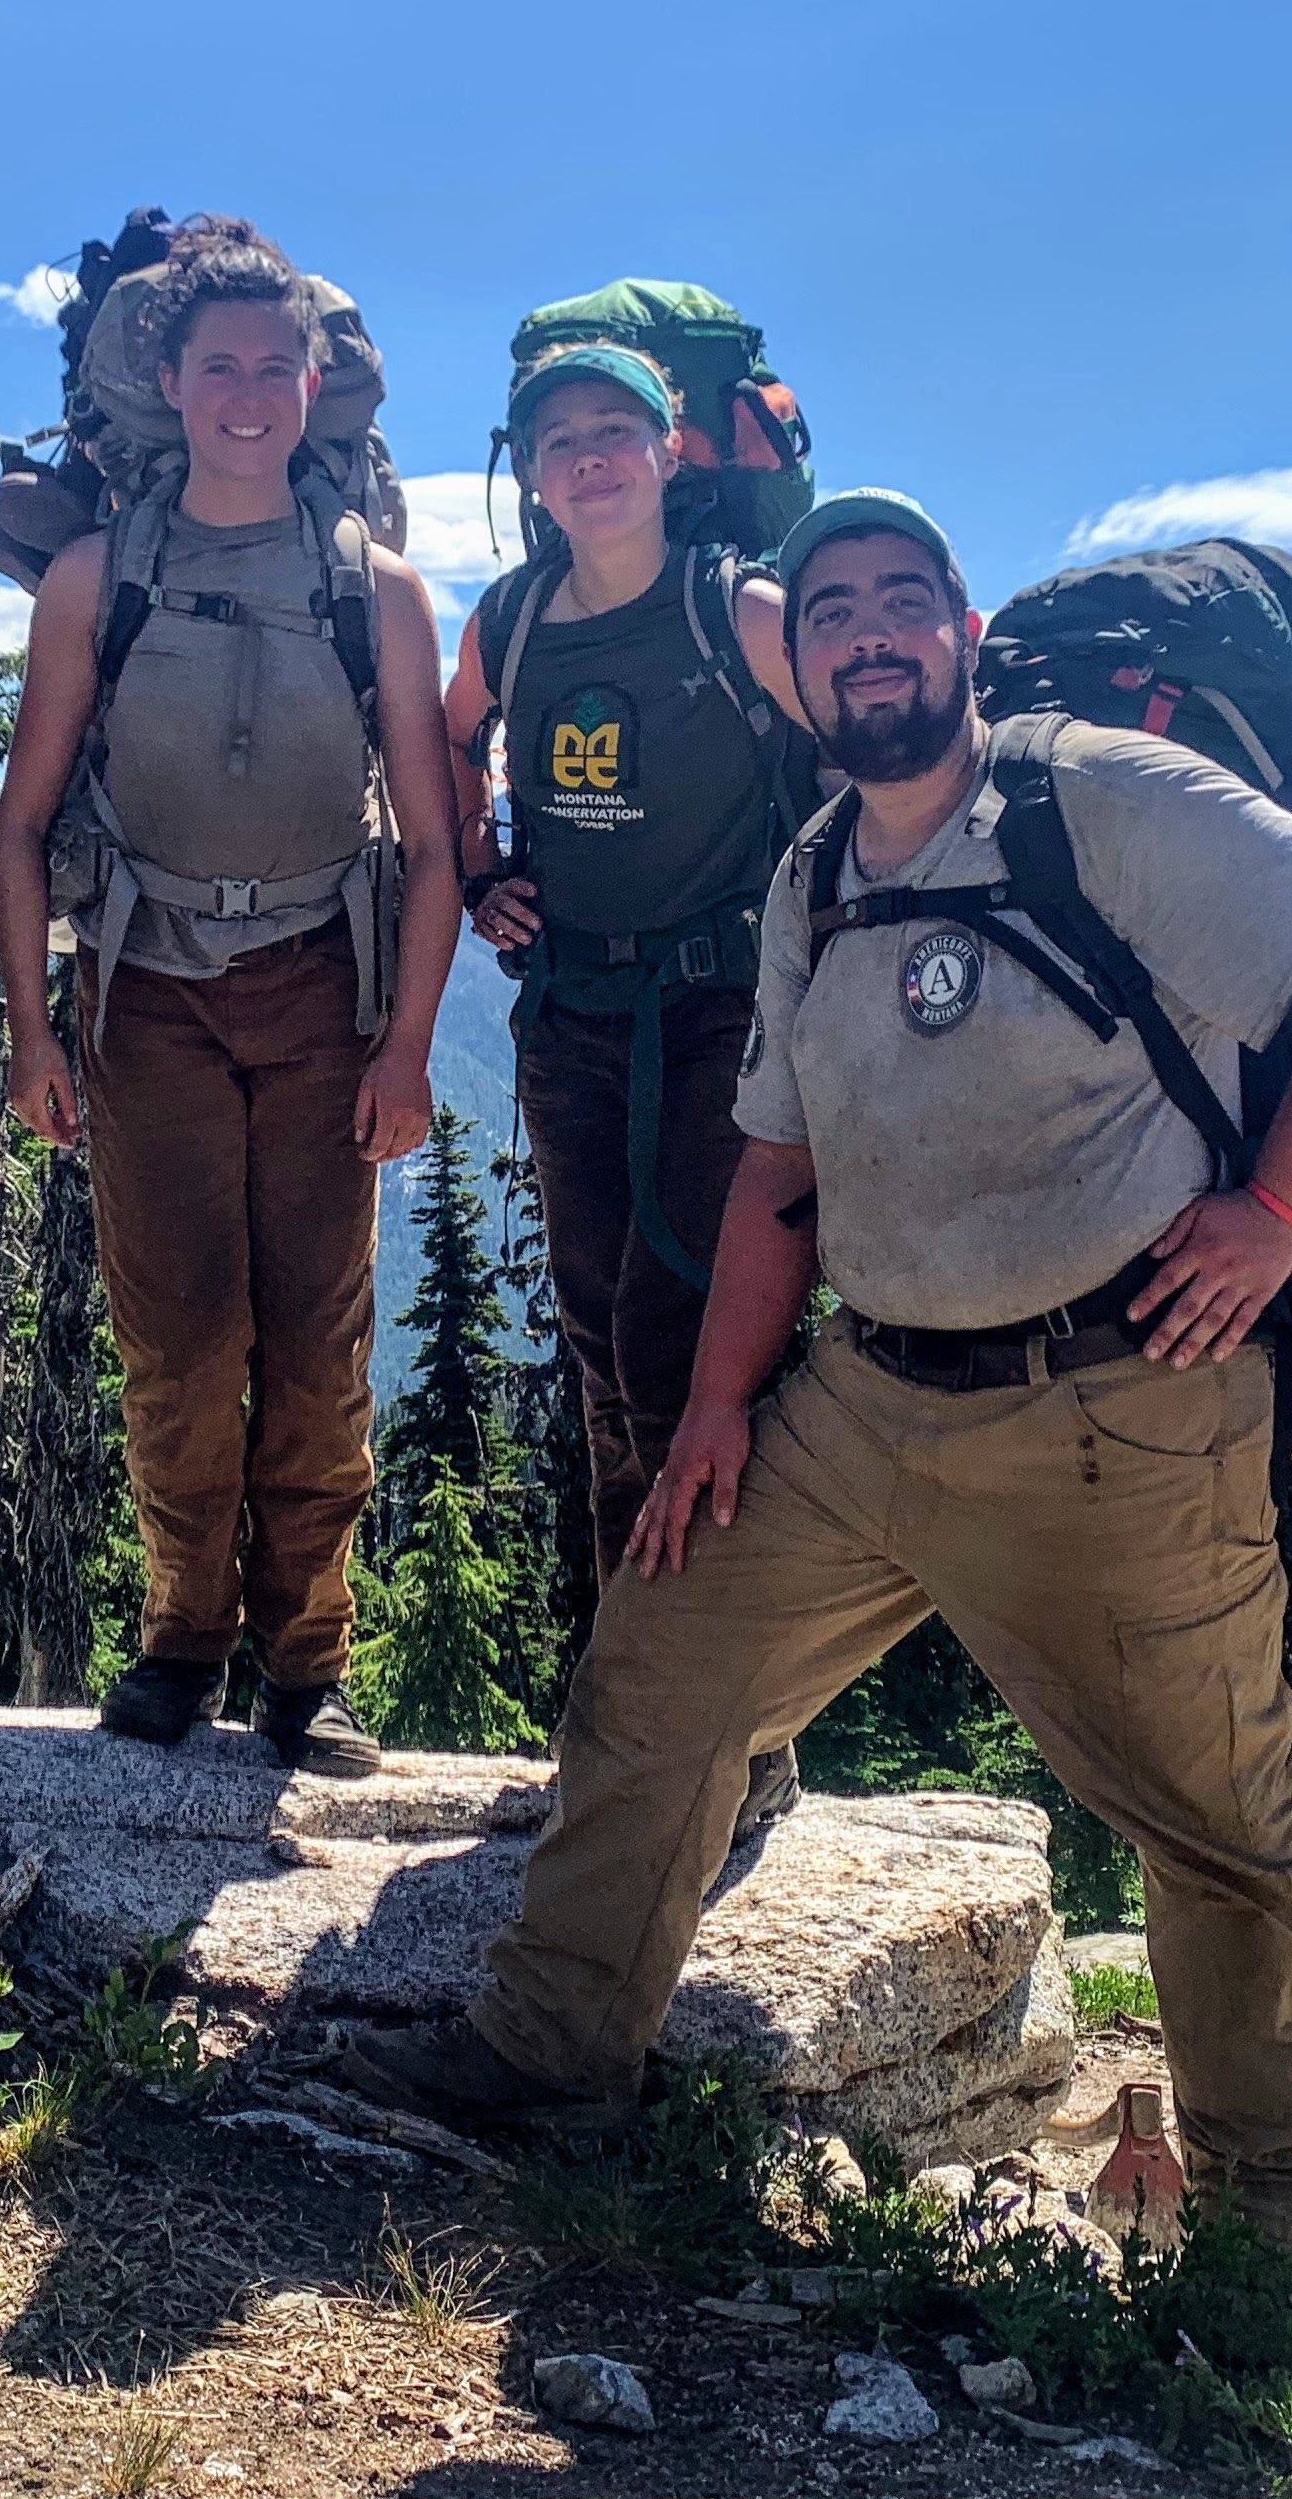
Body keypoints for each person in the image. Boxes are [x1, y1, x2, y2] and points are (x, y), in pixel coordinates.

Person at [347, 490, 1292, 2263]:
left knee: (1219, 1832)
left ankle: (1271, 2244)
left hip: (1120, 1404)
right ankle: (550, 2060)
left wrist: (1268, 1210)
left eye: (901, 600)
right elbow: (776, 1175)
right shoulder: (816, 873)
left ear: (956, 631)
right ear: (809, 661)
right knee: (660, 1672)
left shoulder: (1099, 794)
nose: (867, 631)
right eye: (839, 606)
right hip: (871, 1399)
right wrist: (719, 1407)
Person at [0, 220, 465, 1776]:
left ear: (311, 381)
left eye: (275, 368)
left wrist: (405, 1046)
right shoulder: (93, 578)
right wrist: (33, 1032)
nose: (248, 395)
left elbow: (437, 845)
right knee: (179, 1344)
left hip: (326, 990)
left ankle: (305, 1667)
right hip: (148, 996)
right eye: (219, 369)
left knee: (318, 1350)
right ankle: (183, 1638)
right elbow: (18, 820)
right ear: (172, 385)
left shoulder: (378, 589)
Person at [442, 339, 814, 1830]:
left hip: (726, 1019)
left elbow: (867, 753)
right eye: (559, 438)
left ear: (670, 449)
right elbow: (447, 736)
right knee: (603, 1356)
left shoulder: (737, 608)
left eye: (616, 430)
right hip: (577, 1012)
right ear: (527, 473)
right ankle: (647, 1704)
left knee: (692, 1356)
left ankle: (726, 1729)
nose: (588, 456)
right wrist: (478, 866)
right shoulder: (518, 618)